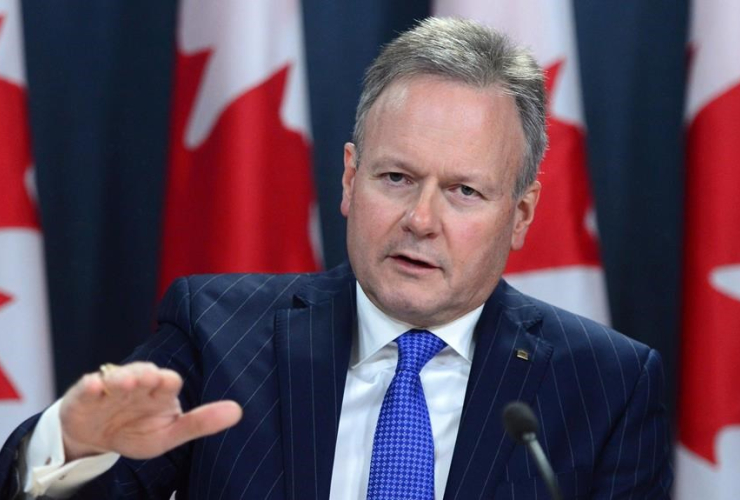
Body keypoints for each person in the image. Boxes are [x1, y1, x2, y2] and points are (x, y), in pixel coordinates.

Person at [0, 17, 672, 499]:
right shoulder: (219, 334)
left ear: (520, 214)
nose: (421, 219)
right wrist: (73, 446)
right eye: (396, 178)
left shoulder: (606, 384)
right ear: (350, 179)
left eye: (464, 192)